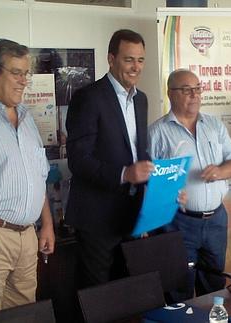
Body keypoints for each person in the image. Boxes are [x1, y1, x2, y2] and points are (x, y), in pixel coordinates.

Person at [0, 39, 55, 312]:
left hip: (28, 236)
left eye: (26, 74)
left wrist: (47, 224)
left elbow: (37, 176)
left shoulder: (28, 118)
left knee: (24, 314)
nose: (24, 81)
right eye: (16, 73)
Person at [65, 29, 154, 287]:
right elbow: (78, 160)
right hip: (97, 219)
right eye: (129, 59)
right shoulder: (88, 97)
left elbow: (140, 155)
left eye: (140, 60)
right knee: (98, 297)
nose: (135, 67)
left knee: (129, 291)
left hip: (131, 215)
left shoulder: (141, 100)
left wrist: (163, 188)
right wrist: (125, 174)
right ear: (111, 59)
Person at [148, 69, 231, 300]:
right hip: (179, 223)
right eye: (186, 90)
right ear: (170, 93)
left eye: (197, 88)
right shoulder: (157, 132)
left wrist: (220, 171)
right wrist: (166, 193)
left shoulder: (214, 125)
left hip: (216, 221)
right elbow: (146, 179)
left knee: (215, 286)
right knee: (179, 289)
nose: (194, 95)